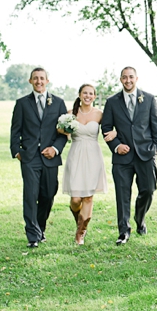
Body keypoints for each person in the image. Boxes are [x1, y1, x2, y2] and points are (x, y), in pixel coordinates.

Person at [101, 67, 157, 245]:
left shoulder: (149, 99)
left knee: (148, 190)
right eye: (124, 77)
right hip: (122, 157)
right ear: (120, 79)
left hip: (146, 154)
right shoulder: (112, 102)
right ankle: (123, 231)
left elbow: (156, 126)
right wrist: (116, 145)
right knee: (122, 195)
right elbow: (106, 128)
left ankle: (139, 218)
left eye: (131, 77)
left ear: (136, 78)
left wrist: (156, 149)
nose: (128, 80)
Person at [10, 67, 68, 248]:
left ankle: (40, 227)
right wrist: (17, 151)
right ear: (30, 81)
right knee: (30, 195)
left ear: (47, 81)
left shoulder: (58, 103)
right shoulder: (22, 103)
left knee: (48, 194)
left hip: (50, 157)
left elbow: (64, 133)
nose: (39, 81)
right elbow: (15, 130)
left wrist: (55, 149)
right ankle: (33, 236)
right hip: (29, 157)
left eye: (42, 78)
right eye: (35, 78)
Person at [59, 84, 109, 245]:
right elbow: (60, 129)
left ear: (94, 97)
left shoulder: (100, 114)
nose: (87, 96)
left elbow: (111, 127)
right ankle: (79, 221)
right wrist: (64, 130)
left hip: (93, 155)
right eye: (84, 93)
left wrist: (114, 132)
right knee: (75, 199)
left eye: (90, 94)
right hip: (76, 154)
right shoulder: (70, 114)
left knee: (88, 196)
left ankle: (80, 233)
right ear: (80, 95)